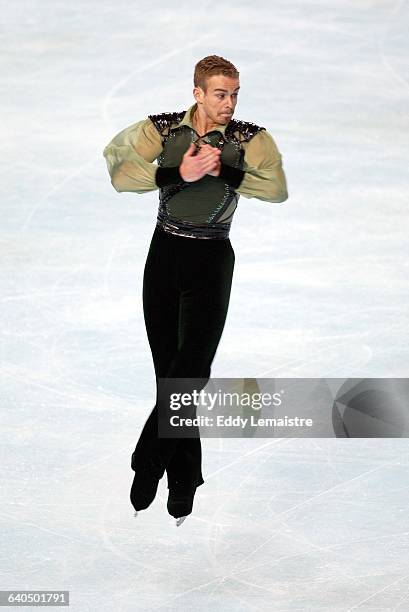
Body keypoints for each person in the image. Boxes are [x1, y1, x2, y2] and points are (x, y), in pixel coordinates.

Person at [102, 54, 288, 526]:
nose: (229, 103)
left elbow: (276, 189)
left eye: (235, 94)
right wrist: (176, 175)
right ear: (198, 93)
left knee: (190, 375)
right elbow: (119, 170)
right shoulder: (162, 131)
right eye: (221, 94)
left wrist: (223, 171)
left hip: (211, 261)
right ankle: (185, 476)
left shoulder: (250, 139)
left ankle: (148, 463)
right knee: (171, 378)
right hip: (163, 257)